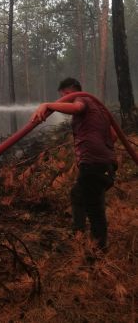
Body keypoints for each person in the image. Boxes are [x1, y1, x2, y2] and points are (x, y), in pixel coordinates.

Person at [31, 77, 117, 250]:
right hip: (106, 164)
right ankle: (77, 234)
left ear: (73, 91)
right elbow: (113, 135)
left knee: (95, 210)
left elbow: (77, 107)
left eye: (65, 96)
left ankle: (98, 253)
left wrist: (47, 105)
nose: (64, 100)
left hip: (93, 164)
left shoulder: (83, 99)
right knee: (78, 194)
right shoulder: (99, 108)